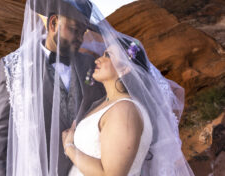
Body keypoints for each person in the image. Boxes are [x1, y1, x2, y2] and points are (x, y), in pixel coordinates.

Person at [0, 0, 105, 176]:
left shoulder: (90, 66)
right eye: (74, 29)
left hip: (82, 169)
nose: (80, 38)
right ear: (53, 23)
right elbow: (0, 132)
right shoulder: (14, 66)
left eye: (82, 32)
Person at [62, 36, 195, 176]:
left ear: (125, 68)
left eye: (108, 55)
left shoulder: (125, 111)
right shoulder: (107, 104)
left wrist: (69, 147)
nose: (98, 60)